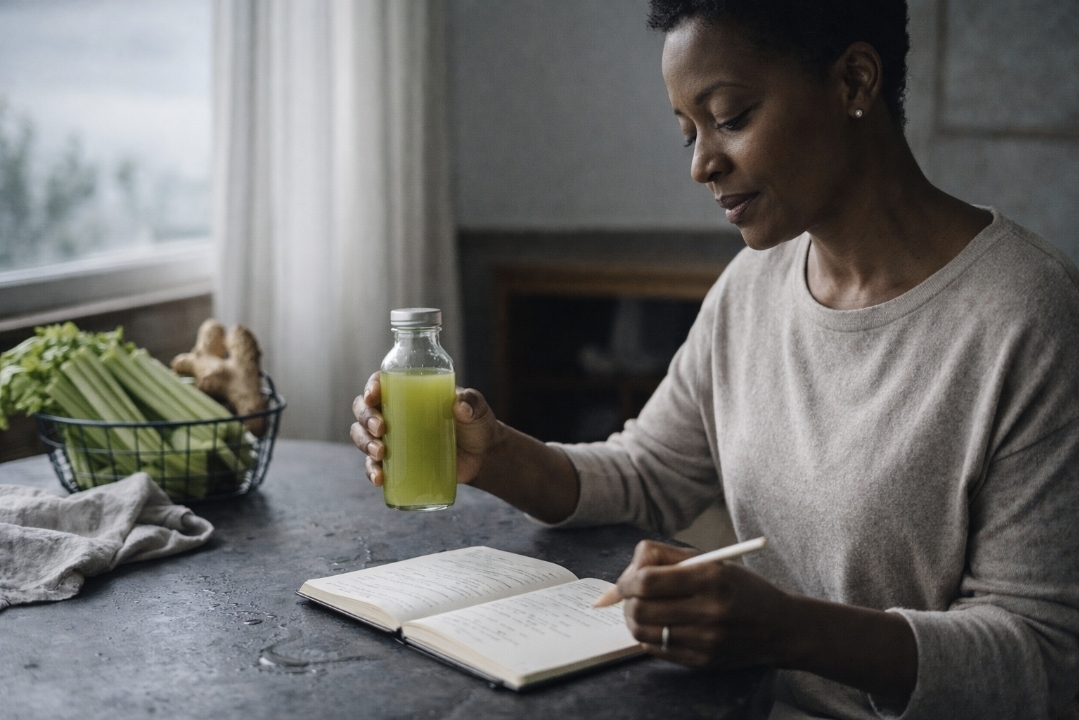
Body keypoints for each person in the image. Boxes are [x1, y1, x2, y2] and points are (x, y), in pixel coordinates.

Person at [352, 1, 1079, 717]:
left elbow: (1042, 658)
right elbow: (646, 474)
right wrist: (495, 454)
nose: (702, 163)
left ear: (854, 81)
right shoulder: (752, 285)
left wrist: (790, 629)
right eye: (687, 132)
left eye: (729, 117)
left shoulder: (1027, 314)